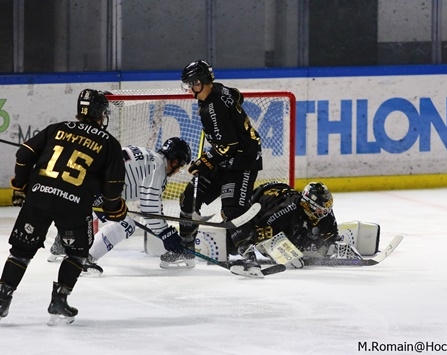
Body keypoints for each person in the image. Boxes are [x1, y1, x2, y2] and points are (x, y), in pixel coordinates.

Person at [0, 89, 128, 324]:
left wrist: (21, 183)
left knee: (20, 251)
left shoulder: (57, 128)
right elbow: (113, 187)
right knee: (77, 253)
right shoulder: (110, 143)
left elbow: (24, 153)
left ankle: (1, 299)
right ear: (101, 113)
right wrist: (115, 208)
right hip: (74, 205)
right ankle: (59, 300)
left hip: (39, 197)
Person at [168, 59, 263, 273]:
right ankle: (186, 249)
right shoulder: (218, 90)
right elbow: (238, 95)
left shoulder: (212, 107)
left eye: (191, 84)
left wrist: (203, 161)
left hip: (242, 161)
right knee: (190, 197)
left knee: (232, 208)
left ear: (200, 82)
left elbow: (229, 146)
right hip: (225, 158)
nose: (189, 89)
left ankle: (250, 259)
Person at [48, 137, 192, 273]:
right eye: (181, 165)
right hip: (93, 188)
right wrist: (167, 234)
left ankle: (63, 241)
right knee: (126, 224)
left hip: (79, 182)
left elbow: (152, 208)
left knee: (109, 208)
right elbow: (149, 207)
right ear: (174, 161)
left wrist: (164, 230)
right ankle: (82, 259)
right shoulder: (159, 166)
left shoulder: (150, 157)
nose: (179, 170)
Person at [236, 181, 352, 270]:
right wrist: (278, 252)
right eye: (320, 210)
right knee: (233, 246)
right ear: (308, 204)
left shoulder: (322, 211)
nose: (324, 213)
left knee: (300, 236)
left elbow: (331, 234)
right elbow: (260, 230)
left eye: (326, 209)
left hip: (281, 193)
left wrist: (332, 243)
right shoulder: (286, 210)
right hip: (257, 203)